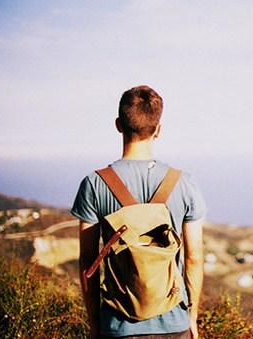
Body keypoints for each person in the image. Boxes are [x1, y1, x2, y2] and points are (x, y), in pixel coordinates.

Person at [71, 85, 206, 339]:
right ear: (158, 130)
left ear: (118, 125)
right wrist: (192, 317)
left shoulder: (94, 184)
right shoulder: (184, 183)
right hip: (174, 325)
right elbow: (194, 258)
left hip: (117, 327)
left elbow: (88, 262)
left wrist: (95, 325)